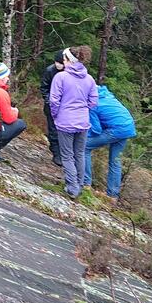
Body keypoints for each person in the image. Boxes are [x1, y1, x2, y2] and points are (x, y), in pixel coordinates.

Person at [48, 45, 99, 199]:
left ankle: (72, 187)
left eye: (64, 59)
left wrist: (56, 115)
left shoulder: (61, 77)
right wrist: (83, 110)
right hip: (83, 122)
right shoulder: (89, 79)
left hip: (65, 122)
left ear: (69, 60)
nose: (62, 61)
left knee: (67, 155)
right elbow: (94, 101)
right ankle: (80, 184)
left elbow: (54, 100)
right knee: (79, 154)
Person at [82, 85, 137, 199]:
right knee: (115, 161)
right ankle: (112, 196)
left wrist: (85, 136)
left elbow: (96, 129)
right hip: (128, 127)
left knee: (84, 147)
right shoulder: (107, 95)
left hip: (117, 129)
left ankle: (85, 183)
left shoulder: (92, 104)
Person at [39, 50, 66, 167]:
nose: (58, 64)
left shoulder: (69, 73)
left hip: (65, 106)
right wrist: (48, 100)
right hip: (51, 105)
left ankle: (65, 153)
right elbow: (44, 88)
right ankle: (56, 153)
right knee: (53, 130)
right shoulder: (49, 70)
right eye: (56, 62)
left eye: (60, 62)